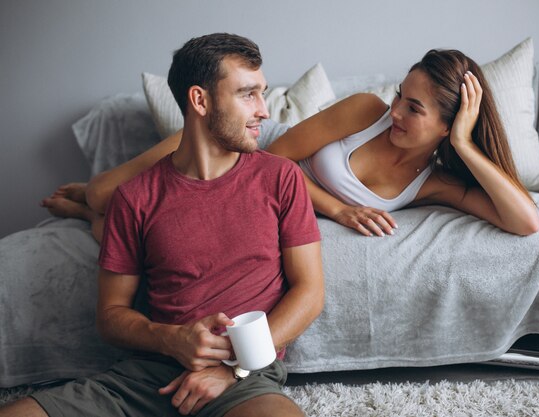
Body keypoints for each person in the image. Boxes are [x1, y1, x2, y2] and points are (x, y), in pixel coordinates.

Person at [3, 33, 324, 417]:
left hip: (244, 380)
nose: (264, 111)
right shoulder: (134, 197)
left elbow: (310, 292)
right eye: (247, 94)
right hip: (144, 378)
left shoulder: (280, 178)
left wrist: (233, 368)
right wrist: (172, 339)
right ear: (200, 100)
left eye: (263, 93)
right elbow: (111, 315)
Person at [42, 48, 539, 241]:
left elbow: (526, 221)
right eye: (399, 96)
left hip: (270, 193)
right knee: (107, 193)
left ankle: (90, 215)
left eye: (415, 109)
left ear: (449, 125)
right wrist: (339, 211)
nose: (396, 112)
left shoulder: (434, 183)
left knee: (138, 225)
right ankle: (92, 200)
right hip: (247, 148)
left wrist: (467, 146)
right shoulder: (367, 109)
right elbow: (270, 158)